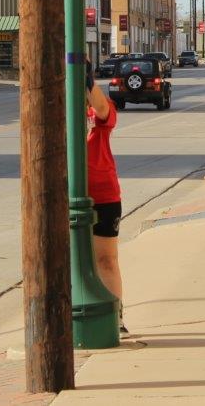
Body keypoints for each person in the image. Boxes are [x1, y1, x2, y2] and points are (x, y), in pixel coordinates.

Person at [86, 60, 128, 335]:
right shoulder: (55, 113)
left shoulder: (100, 110)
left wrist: (87, 82)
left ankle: (116, 316)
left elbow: (102, 109)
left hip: (103, 193)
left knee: (106, 260)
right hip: (64, 196)